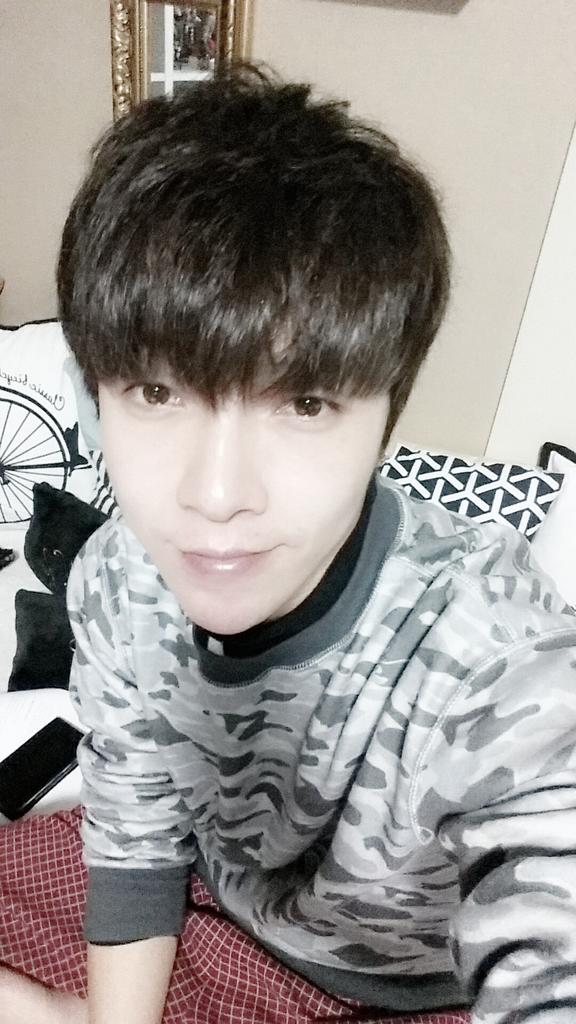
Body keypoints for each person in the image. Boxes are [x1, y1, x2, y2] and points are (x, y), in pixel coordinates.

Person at [1, 64, 576, 1024]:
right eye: (157, 392)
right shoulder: (116, 577)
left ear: (387, 420)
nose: (215, 496)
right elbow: (134, 821)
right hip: (206, 916)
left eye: (304, 403)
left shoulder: (495, 654)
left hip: (417, 991)